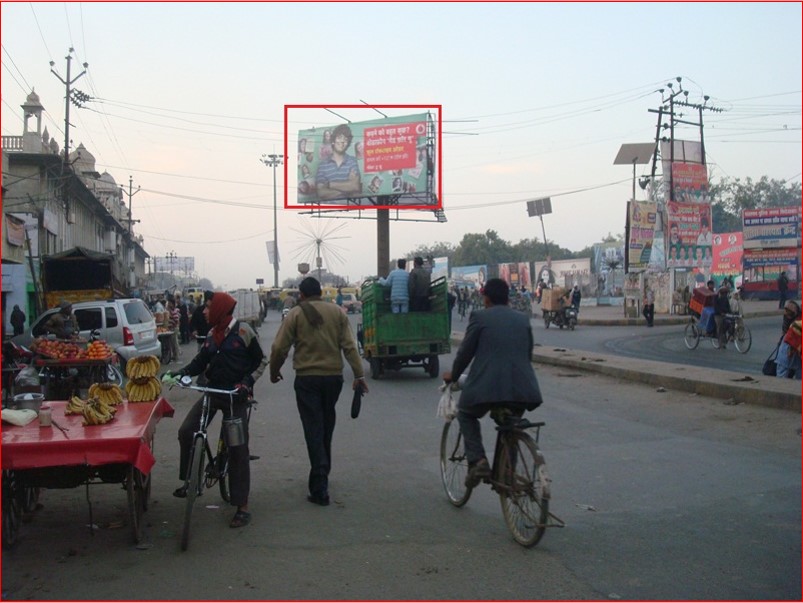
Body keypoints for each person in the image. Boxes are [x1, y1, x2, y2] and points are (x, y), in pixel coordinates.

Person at [165, 292, 267, 528]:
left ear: (221, 310)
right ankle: (190, 482)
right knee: (187, 431)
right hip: (212, 393)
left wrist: (247, 383)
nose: (204, 312)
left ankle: (242, 506)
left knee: (238, 449)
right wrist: (179, 374)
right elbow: (200, 362)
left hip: (234, 398)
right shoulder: (212, 335)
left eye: (208, 307)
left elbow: (260, 361)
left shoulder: (243, 332)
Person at [269, 277, 368, 506]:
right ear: (321, 292)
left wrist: (274, 372)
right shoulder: (337, 312)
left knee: (313, 427)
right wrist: (359, 375)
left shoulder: (295, 314)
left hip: (307, 379)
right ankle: (323, 470)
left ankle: (320, 484)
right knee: (326, 423)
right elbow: (350, 346)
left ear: (302, 295)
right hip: (333, 379)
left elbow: (278, 347)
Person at [442, 279, 543, 487]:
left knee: (465, 413)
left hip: (487, 388)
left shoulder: (479, 317)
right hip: (523, 389)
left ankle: (478, 461)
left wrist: (453, 375)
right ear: (507, 297)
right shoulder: (522, 319)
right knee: (510, 423)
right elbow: (527, 354)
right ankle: (507, 472)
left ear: (486, 298)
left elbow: (465, 354)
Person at [315, 124, 362, 201]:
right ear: (333, 140)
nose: (342, 141)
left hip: (350, 208)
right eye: (339, 138)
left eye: (346, 140)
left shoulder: (352, 161)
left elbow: (355, 186)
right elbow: (321, 192)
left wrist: (330, 185)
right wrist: (347, 190)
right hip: (328, 209)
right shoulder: (323, 165)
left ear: (348, 144)